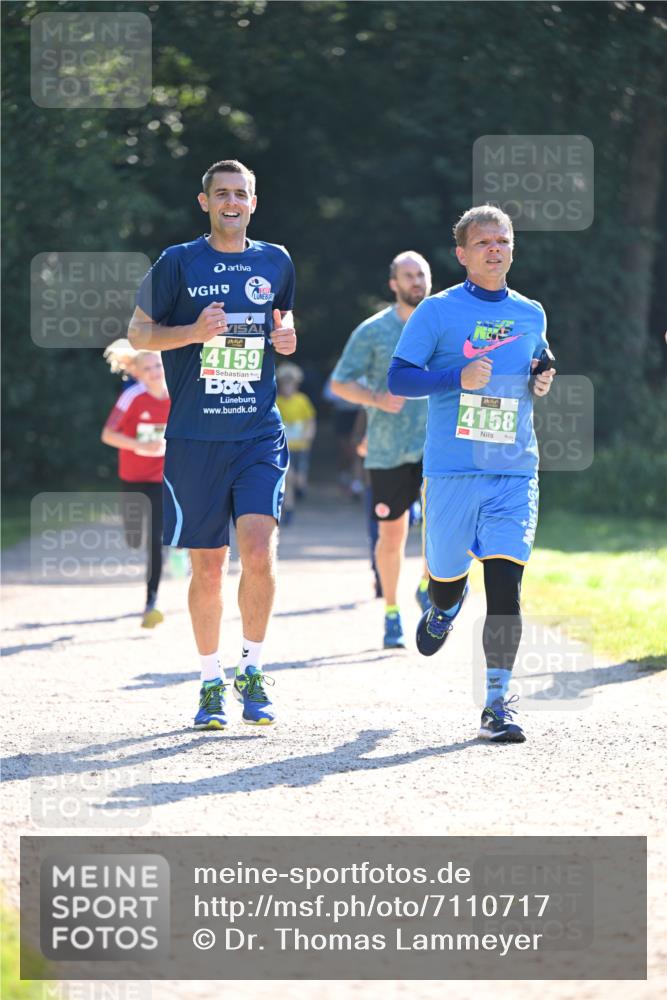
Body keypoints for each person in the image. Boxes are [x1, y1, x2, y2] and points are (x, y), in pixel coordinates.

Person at [127, 158, 296, 729]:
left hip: (256, 433)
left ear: (254, 201)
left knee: (256, 550)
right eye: (221, 193)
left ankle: (252, 670)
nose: (231, 202)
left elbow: (282, 327)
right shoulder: (177, 262)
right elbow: (138, 333)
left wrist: (286, 338)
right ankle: (208, 682)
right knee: (206, 567)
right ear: (205, 202)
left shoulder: (276, 262)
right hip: (196, 439)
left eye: (240, 194)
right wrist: (194, 333)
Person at [388, 205, 556, 743]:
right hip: (453, 471)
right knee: (444, 581)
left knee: (507, 584)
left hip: (514, 471)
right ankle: (443, 607)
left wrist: (543, 373)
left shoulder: (531, 312)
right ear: (461, 254)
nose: (495, 248)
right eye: (483, 242)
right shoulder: (436, 313)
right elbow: (399, 379)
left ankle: (497, 701)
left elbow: (539, 356)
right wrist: (455, 375)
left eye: (502, 240)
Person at [331, 252, 432, 649]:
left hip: (437, 446)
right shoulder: (372, 331)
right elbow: (340, 383)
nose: (416, 281)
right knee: (392, 536)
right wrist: (376, 398)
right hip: (388, 449)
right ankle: (392, 612)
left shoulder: (443, 323)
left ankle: (427, 584)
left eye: (421, 274)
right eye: (407, 276)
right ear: (393, 283)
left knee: (444, 527)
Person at [101, 350, 170, 628]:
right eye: (148, 367)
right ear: (139, 373)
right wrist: (141, 446)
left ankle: (151, 600)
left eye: (158, 365)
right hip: (132, 478)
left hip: (162, 479)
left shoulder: (178, 395)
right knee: (133, 538)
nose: (155, 371)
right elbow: (108, 435)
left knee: (156, 539)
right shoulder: (132, 396)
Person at [276, 362, 316, 522]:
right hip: (285, 446)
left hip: (301, 445)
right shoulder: (277, 401)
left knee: (300, 478)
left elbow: (310, 419)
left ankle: (301, 489)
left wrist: (309, 434)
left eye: (290, 383)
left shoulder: (302, 400)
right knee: (288, 477)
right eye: (284, 384)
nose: (287, 387)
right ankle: (289, 507)